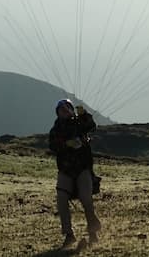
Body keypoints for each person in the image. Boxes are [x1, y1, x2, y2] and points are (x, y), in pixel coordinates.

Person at [49, 98, 100, 248]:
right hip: (65, 170)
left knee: (86, 198)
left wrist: (85, 115)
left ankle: (92, 232)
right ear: (57, 113)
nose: (64, 112)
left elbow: (91, 126)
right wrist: (65, 144)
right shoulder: (56, 129)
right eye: (61, 110)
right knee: (61, 200)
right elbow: (52, 145)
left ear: (71, 110)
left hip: (82, 168)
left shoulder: (80, 124)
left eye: (66, 109)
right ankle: (69, 235)